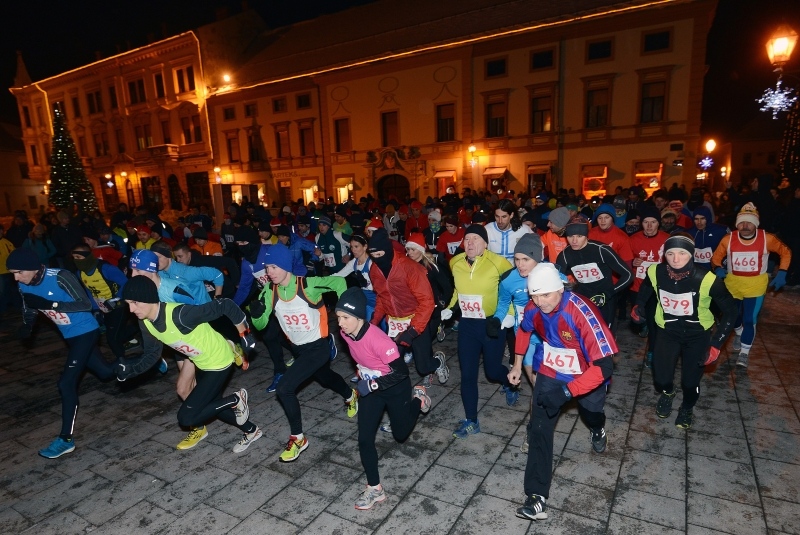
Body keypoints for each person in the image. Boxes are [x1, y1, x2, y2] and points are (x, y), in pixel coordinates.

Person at [509, 263, 617, 522]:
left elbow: (604, 367)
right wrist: (516, 364)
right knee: (538, 428)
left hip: (587, 374)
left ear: (560, 289)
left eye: (546, 295)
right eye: (534, 295)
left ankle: (597, 428)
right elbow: (524, 330)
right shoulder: (534, 307)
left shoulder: (581, 311)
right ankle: (536, 497)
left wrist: (568, 393)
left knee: (591, 413)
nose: (540, 301)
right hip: (552, 370)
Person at [117, 276, 262, 453]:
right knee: (213, 405)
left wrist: (244, 333)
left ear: (148, 298)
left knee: (187, 417)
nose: (131, 309)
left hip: (219, 361)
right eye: (128, 304)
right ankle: (251, 430)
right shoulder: (146, 323)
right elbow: (151, 355)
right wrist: (131, 370)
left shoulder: (180, 315)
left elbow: (225, 305)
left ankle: (236, 399)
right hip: (200, 361)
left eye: (135, 302)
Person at [249, 243, 359, 462]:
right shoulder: (269, 291)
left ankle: (298, 438)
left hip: (318, 346)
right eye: (266, 267)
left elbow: (339, 282)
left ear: (285, 266)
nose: (268, 272)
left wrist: (343, 313)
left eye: (273, 267)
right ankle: (350, 395)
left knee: (285, 388)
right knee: (325, 378)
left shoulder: (308, 284)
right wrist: (257, 315)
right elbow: (261, 326)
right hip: (298, 349)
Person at [8, 248, 117, 458]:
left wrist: (52, 304)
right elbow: (30, 307)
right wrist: (27, 325)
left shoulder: (60, 277)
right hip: (69, 335)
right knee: (106, 373)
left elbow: (85, 304)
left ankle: (65, 439)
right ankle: (145, 363)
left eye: (19, 272)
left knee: (65, 383)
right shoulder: (23, 284)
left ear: (32, 268)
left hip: (87, 330)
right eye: (13, 273)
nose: (16, 277)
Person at [335, 287, 431, 510]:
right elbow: (361, 357)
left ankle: (419, 398)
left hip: (395, 387)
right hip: (371, 391)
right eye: (338, 317)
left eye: (346, 318)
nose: (341, 323)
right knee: (364, 439)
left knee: (400, 434)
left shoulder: (379, 340)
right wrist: (364, 373)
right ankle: (374, 489)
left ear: (360, 317)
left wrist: (372, 383)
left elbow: (401, 373)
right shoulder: (344, 333)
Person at [631, 234, 737, 429]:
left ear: (691, 255)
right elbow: (646, 289)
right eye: (670, 253)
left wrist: (716, 344)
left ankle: (687, 407)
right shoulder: (655, 271)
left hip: (697, 335)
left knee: (690, 382)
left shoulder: (707, 280)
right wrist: (639, 306)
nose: (676, 259)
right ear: (665, 255)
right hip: (667, 331)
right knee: (661, 379)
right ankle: (668, 392)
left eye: (682, 253)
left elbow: (731, 312)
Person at [443, 224, 516, 438]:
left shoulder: (499, 263)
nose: (471, 243)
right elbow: (458, 290)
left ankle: (508, 382)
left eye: (476, 239)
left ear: (485, 243)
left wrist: (509, 314)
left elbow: (508, 291)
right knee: (467, 374)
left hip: (492, 324)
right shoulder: (455, 262)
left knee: (492, 371)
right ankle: (471, 420)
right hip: (467, 325)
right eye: (467, 239)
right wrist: (450, 308)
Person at [711, 202, 791, 368]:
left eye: (749, 222)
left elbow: (786, 252)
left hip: (755, 285)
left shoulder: (767, 238)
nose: (745, 225)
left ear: (756, 223)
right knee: (733, 317)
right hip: (733, 284)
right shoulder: (728, 239)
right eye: (741, 222)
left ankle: (744, 353)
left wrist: (782, 271)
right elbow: (715, 258)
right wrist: (718, 268)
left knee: (750, 319)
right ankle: (739, 334)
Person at [367, 229, 446, 388]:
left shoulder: (410, 268)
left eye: (379, 255)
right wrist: (373, 322)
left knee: (423, 366)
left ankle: (438, 362)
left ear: (388, 251)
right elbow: (382, 298)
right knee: (391, 363)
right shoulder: (375, 270)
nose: (377, 260)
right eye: (373, 256)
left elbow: (427, 302)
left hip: (416, 321)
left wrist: (413, 330)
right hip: (394, 323)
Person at [556, 216, 633, 329]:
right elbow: (557, 278)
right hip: (583, 299)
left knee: (605, 335)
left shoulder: (601, 250)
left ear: (586, 235)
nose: (574, 241)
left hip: (605, 299)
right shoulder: (565, 255)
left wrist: (607, 294)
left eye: (579, 236)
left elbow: (628, 275)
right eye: (570, 236)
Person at [71, 244, 139, 363]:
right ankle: (138, 328)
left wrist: (116, 299)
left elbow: (126, 284)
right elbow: (89, 291)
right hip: (104, 307)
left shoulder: (106, 269)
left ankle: (122, 361)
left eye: (78, 257)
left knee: (112, 338)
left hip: (119, 305)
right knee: (116, 333)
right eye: (74, 258)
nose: (76, 261)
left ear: (87, 257)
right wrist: (96, 309)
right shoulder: (80, 273)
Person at [404, 232, 452, 385]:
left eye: (413, 249)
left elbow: (447, 287)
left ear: (421, 249)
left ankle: (431, 364)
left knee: (425, 342)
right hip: (416, 312)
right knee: (423, 344)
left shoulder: (431, 266)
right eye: (408, 249)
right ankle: (431, 368)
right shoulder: (406, 265)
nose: (409, 252)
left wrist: (443, 303)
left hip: (433, 311)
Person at [627, 206, 669, 366]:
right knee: (639, 319)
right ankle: (643, 324)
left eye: (653, 222)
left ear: (659, 224)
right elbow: (624, 261)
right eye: (646, 222)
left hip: (657, 289)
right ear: (641, 223)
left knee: (654, 322)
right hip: (637, 287)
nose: (649, 226)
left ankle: (652, 351)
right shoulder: (633, 239)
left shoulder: (667, 239)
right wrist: (632, 262)